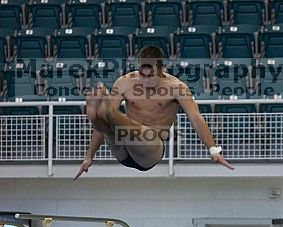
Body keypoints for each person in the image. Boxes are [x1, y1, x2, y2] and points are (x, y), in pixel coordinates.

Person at [74, 45, 234, 180]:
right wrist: (89, 156)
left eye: (151, 76)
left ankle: (108, 111)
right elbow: (100, 131)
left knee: (138, 130)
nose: (145, 81)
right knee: (105, 126)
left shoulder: (176, 87)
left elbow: (196, 119)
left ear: (161, 69)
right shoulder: (124, 82)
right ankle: (103, 114)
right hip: (123, 149)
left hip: (150, 149)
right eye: (142, 75)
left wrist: (213, 150)